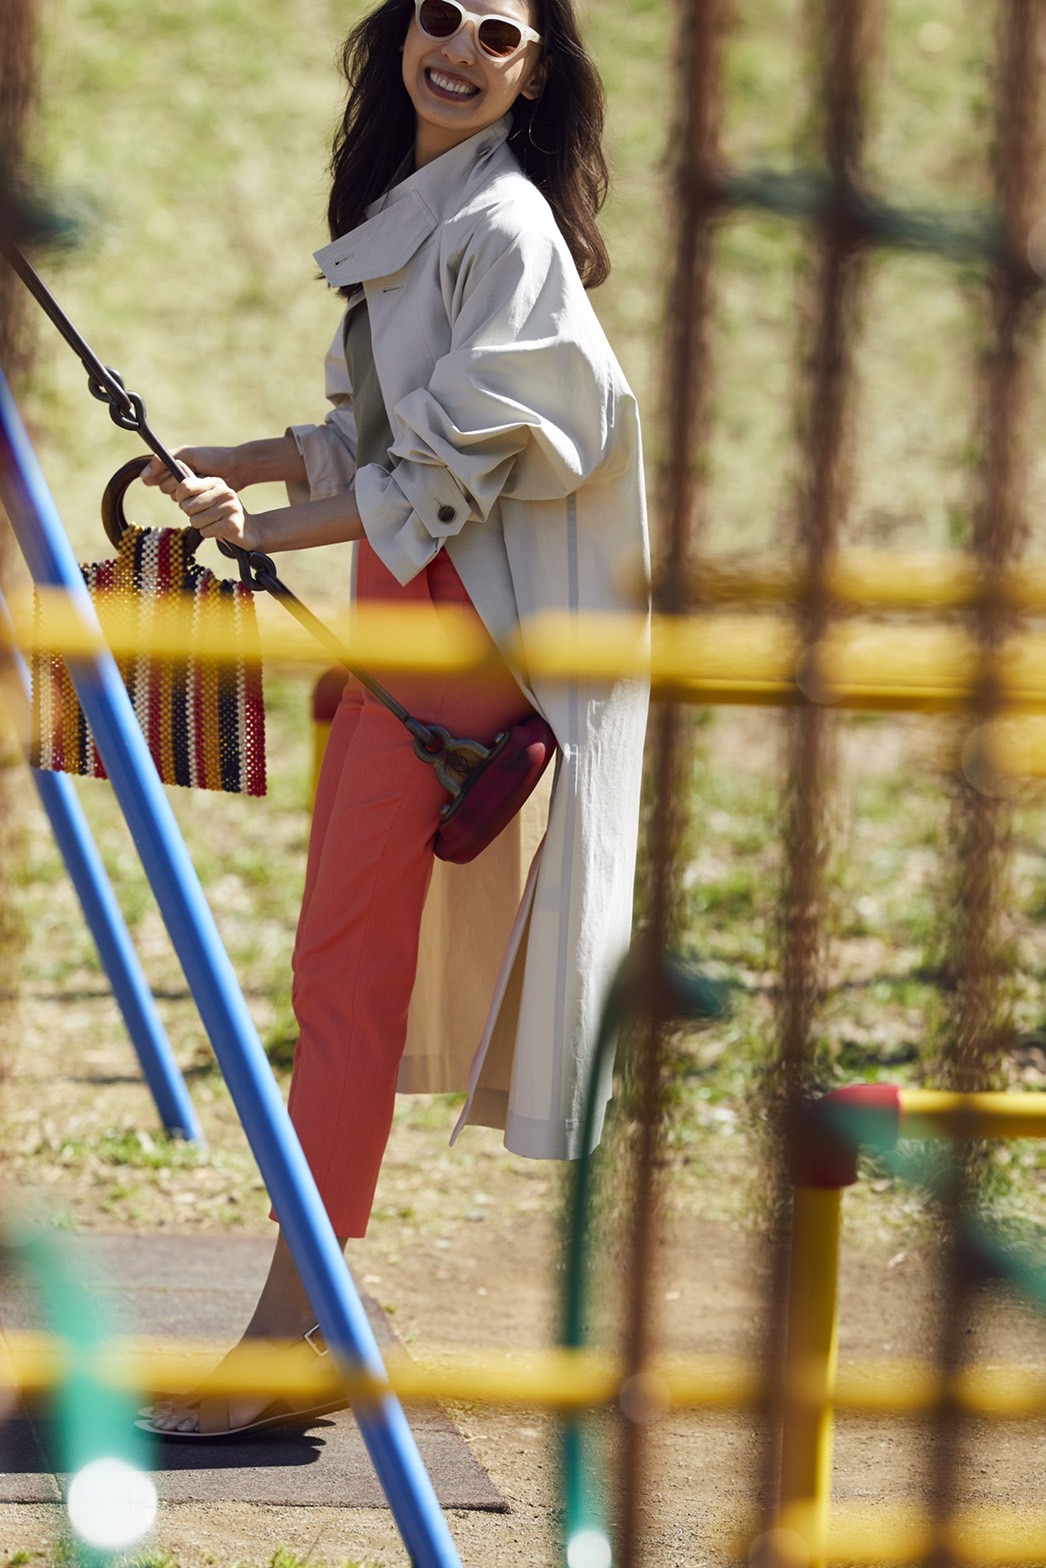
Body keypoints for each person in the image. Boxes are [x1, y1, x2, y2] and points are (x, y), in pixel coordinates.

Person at [139, 0, 649, 1438]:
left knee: (340, 990)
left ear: (532, 70)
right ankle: (309, 1309)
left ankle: (294, 1331)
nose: (460, 50)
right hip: (405, 629)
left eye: (498, 33)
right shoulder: (428, 212)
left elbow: (459, 460)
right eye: (439, 18)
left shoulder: (506, 231)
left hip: (447, 643)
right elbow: (379, 428)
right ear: (400, 35)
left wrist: (274, 528)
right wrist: (238, 462)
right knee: (340, 984)